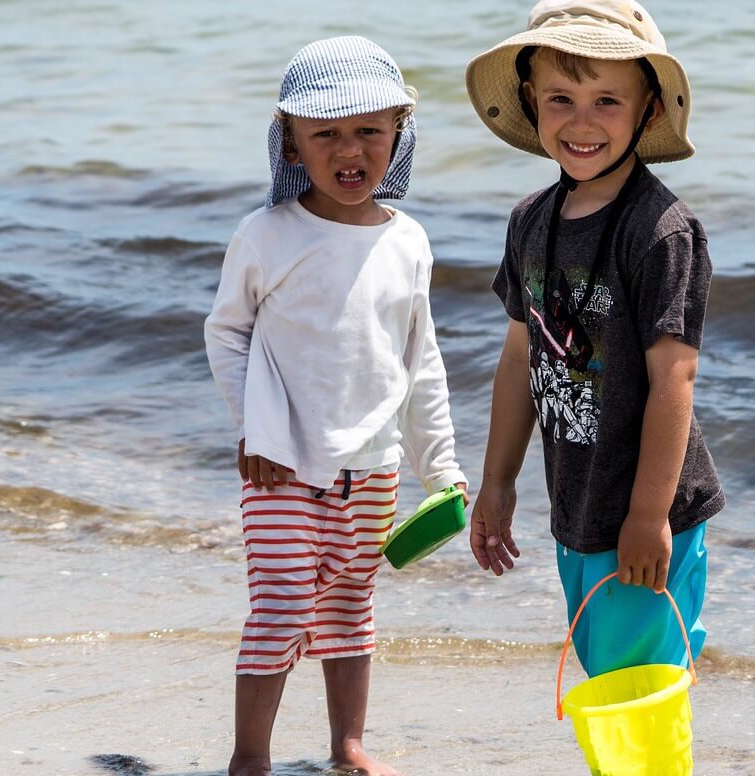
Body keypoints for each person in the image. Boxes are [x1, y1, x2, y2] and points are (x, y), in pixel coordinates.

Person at [204, 36, 464, 776]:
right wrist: (255, 426)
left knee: (351, 606)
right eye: (326, 134)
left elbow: (421, 363)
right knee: (281, 608)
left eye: (369, 132)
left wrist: (439, 468)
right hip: (283, 466)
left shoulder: (408, 242)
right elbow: (226, 335)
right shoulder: (266, 236)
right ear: (291, 143)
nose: (349, 150)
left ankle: (348, 746)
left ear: (399, 136)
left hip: (374, 467)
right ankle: (249, 756)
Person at [463, 0, 722, 696]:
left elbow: (675, 381)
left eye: (608, 99)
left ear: (647, 111)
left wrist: (646, 517)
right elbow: (520, 358)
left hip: (646, 504)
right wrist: (496, 482)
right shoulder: (531, 221)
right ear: (530, 101)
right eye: (561, 98)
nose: (582, 121)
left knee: (644, 683)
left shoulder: (661, 231)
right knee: (604, 665)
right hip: (575, 497)